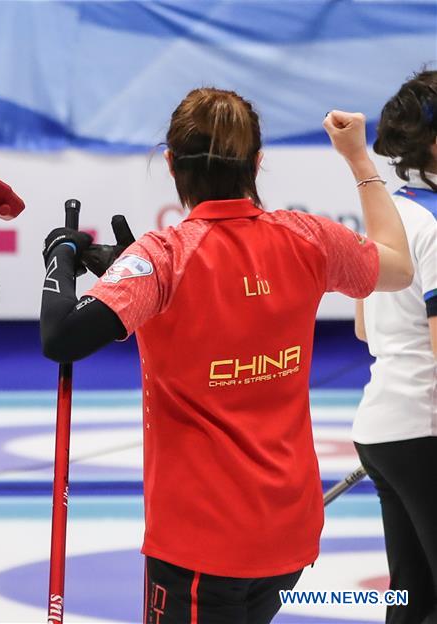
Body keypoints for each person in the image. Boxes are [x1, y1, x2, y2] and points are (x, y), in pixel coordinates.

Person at [40, 87, 413, 624]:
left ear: (170, 165)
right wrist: (358, 157)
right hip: (288, 536)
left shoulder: (164, 255)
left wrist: (61, 258)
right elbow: (398, 266)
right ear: (257, 162)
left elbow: (62, 338)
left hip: (199, 546)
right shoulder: (306, 238)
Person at [352, 68, 437, 624]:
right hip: (423, 431)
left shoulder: (387, 216)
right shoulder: (431, 222)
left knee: (412, 598)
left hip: (382, 433)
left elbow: (364, 329)